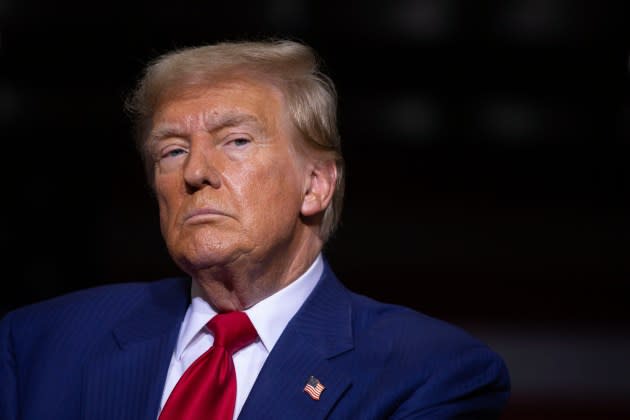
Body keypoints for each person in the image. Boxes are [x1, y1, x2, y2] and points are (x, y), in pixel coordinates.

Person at [0, 38, 510, 419]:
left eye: (236, 141)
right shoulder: (39, 344)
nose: (194, 172)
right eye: (172, 150)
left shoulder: (427, 373)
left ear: (315, 185)